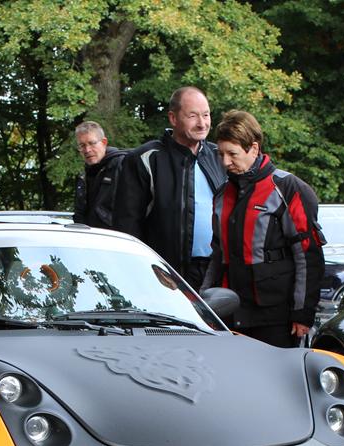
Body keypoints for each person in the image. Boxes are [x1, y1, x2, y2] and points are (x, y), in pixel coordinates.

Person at [201, 110, 324, 347]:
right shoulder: (222, 194)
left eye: (232, 154)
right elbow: (217, 256)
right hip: (230, 312)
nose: (225, 162)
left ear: (254, 149)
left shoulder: (288, 188)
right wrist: (203, 302)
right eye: (221, 154)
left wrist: (303, 313)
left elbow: (308, 256)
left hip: (276, 316)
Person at [115, 86, 226, 289]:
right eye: (193, 116)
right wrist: (149, 270)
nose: (202, 123)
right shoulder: (145, 159)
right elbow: (126, 226)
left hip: (216, 272)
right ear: (173, 118)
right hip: (164, 275)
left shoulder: (220, 157)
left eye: (206, 115)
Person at [72, 121, 127, 230]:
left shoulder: (122, 166)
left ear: (104, 142)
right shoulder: (85, 174)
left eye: (92, 143)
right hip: (88, 238)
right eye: (82, 145)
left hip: (115, 238)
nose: (87, 150)